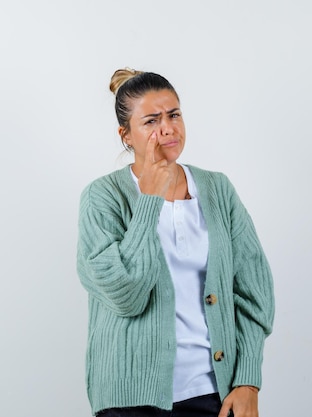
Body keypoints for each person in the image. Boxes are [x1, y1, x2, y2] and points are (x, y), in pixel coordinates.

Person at [76, 68, 275, 417]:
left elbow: (253, 293)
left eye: (174, 115)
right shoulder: (101, 197)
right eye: (151, 121)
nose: (167, 128)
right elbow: (125, 296)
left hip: (215, 392)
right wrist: (150, 199)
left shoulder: (217, 189)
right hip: (131, 399)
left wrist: (247, 381)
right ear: (126, 135)